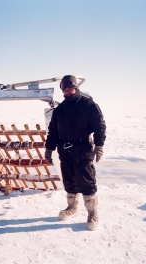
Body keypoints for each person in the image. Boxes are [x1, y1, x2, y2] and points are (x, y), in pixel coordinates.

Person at [44, 75, 106, 231]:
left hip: (83, 149)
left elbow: (99, 126)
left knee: (87, 182)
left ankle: (93, 213)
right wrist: (49, 148)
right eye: (65, 88)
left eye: (70, 87)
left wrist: (99, 146)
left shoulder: (88, 105)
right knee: (69, 181)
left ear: (76, 87)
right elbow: (53, 131)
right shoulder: (60, 110)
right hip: (65, 151)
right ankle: (72, 208)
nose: (68, 91)